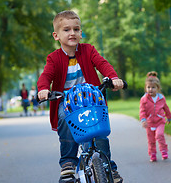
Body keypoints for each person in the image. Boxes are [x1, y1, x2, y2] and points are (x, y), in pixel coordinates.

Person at [37, 10, 124, 183]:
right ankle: (68, 161)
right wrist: (43, 89)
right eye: (67, 30)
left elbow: (102, 63)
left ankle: (108, 166)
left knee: (99, 133)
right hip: (67, 102)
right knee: (63, 116)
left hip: (91, 100)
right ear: (56, 35)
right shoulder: (53, 58)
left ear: (81, 32)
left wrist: (113, 78)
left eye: (76, 29)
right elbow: (46, 75)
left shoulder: (88, 50)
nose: (72, 33)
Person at [139, 71, 171, 162]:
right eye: (148, 87)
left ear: (158, 88)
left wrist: (169, 117)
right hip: (149, 123)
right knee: (151, 140)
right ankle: (152, 154)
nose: (150, 89)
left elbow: (166, 108)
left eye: (153, 87)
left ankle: (164, 151)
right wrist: (143, 120)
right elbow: (142, 111)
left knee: (160, 135)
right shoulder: (144, 99)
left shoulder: (161, 98)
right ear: (146, 88)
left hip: (160, 121)